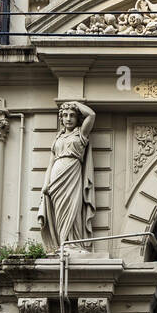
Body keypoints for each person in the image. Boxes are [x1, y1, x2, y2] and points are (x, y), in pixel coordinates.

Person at [38, 100, 96, 253]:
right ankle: (63, 243)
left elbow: (91, 115)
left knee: (73, 207)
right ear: (61, 118)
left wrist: (75, 103)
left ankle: (73, 243)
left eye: (72, 115)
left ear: (77, 118)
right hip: (56, 175)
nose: (68, 118)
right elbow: (50, 163)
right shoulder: (57, 138)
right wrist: (46, 183)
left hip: (72, 172)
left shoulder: (81, 134)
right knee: (59, 211)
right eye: (65, 115)